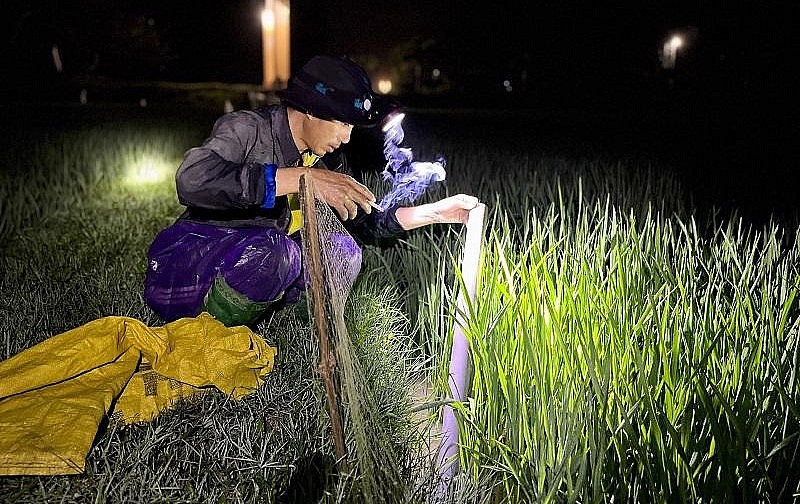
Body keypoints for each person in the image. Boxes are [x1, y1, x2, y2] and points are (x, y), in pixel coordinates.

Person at [144, 54, 478, 327]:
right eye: (342, 124)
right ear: (311, 111)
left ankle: (300, 328)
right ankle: (206, 335)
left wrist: (436, 212)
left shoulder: (326, 159)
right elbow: (192, 180)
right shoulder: (247, 128)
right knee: (278, 253)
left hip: (262, 266)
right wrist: (297, 178)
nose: (346, 137)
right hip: (190, 267)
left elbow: (365, 220)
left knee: (344, 250)